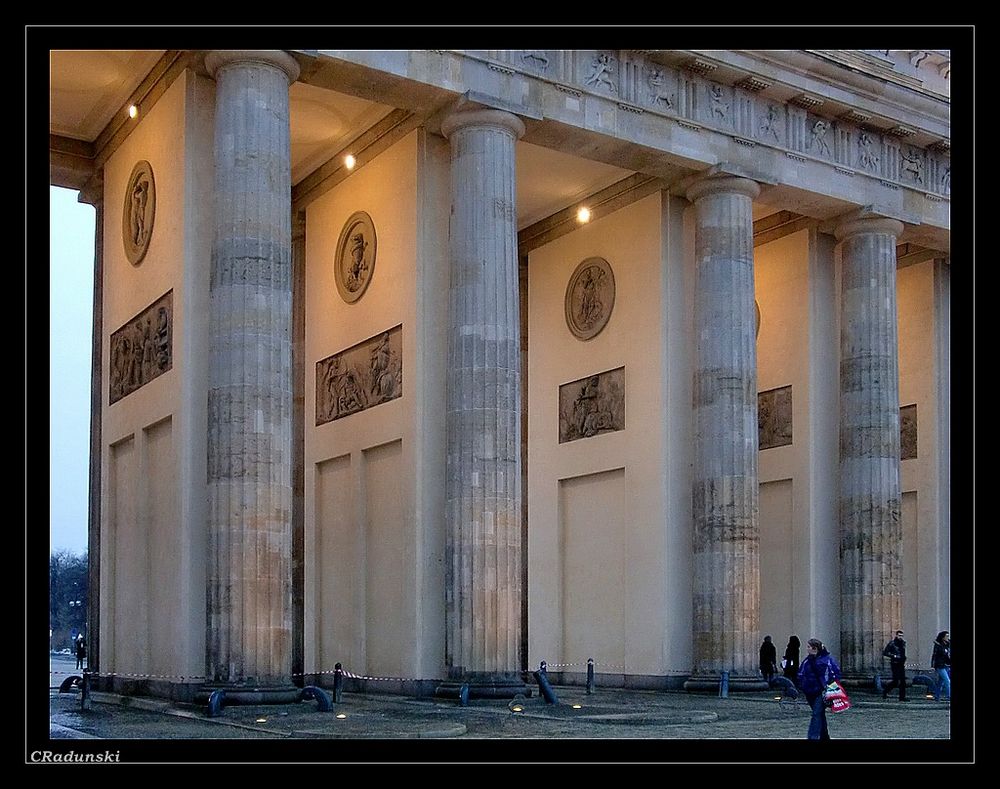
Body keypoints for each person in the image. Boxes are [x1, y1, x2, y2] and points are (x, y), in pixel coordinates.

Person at [797, 637, 841, 740]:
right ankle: (824, 736)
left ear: (814, 648)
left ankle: (812, 737)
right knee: (820, 714)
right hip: (809, 691)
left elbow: (835, 674)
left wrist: (830, 686)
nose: (807, 649)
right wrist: (802, 684)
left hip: (821, 691)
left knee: (816, 714)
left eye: (808, 647)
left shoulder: (826, 660)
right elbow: (801, 673)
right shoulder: (807, 660)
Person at [882, 629, 908, 701]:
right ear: (896, 635)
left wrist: (904, 658)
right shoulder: (892, 643)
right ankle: (885, 691)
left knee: (903, 681)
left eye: (902, 636)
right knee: (895, 681)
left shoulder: (903, 643)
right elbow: (885, 652)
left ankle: (902, 697)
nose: (900, 637)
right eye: (899, 635)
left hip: (901, 663)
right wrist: (894, 656)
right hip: (895, 663)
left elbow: (903, 652)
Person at [932, 630, 951, 702]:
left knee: (941, 682)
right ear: (942, 637)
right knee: (947, 681)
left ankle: (937, 696)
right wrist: (933, 665)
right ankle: (949, 696)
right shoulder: (938, 645)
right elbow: (935, 655)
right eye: (946, 636)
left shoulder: (948, 644)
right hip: (940, 665)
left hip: (946, 664)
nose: (948, 637)